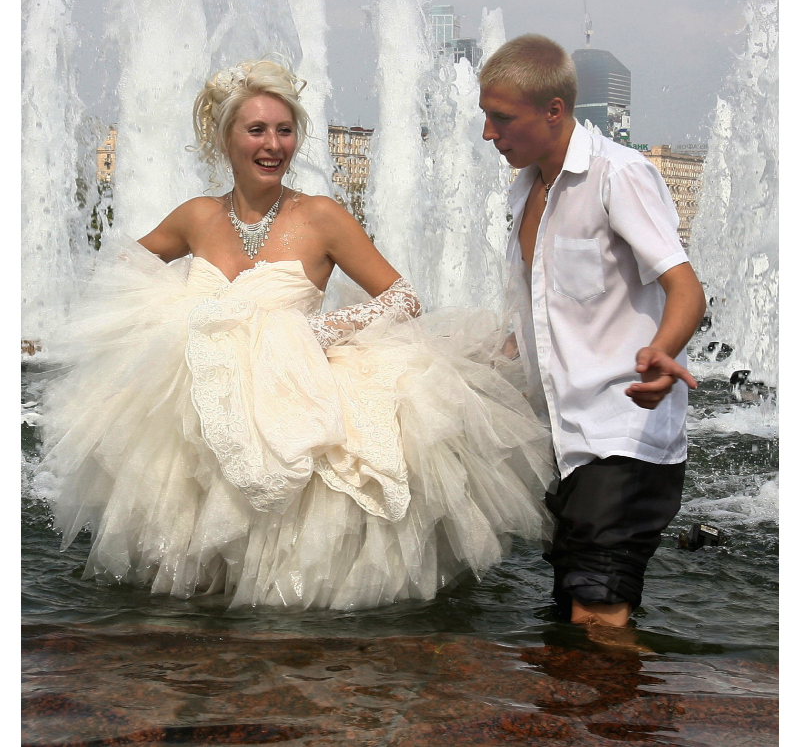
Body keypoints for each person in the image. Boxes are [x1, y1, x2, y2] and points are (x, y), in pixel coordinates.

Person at [38, 58, 554, 611]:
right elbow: (123, 268)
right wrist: (171, 313)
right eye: (256, 129)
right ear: (226, 138)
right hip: (198, 409)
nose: (273, 144)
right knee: (193, 573)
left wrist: (321, 329)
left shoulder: (322, 217)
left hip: (297, 394)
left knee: (294, 564)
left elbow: (403, 297)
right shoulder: (195, 217)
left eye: (284, 131)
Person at [480, 35, 707, 629]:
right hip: (569, 437)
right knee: (574, 612)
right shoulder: (528, 189)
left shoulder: (618, 175)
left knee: (597, 615)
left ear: (554, 111)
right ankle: (601, 721)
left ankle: (646, 718)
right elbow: (548, 318)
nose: (488, 134)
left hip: (623, 429)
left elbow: (686, 287)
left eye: (501, 119)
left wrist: (662, 351)